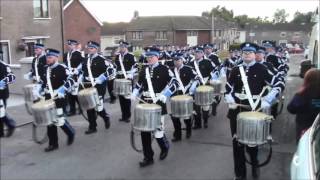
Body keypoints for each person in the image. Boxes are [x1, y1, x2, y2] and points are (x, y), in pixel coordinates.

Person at [225, 42, 284, 180]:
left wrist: (268, 98)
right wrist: (228, 98)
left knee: (253, 144)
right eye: (244, 52)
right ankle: (240, 174)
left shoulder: (262, 68)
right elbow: (228, 88)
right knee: (237, 143)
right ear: (241, 54)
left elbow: (279, 82)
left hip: (254, 111)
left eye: (250, 52)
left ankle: (255, 166)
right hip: (236, 112)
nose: (247, 55)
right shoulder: (235, 69)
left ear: (254, 54)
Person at [131, 46, 178, 167]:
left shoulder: (165, 69)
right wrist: (135, 92)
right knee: (144, 132)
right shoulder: (144, 70)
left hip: (158, 103)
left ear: (157, 57)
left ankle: (164, 147)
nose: (149, 59)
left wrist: (166, 94)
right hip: (145, 103)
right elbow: (140, 84)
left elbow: (175, 83)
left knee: (158, 131)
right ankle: (148, 157)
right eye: (147, 57)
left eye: (151, 57)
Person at [39, 48, 75, 152]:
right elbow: (43, 82)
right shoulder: (45, 68)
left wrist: (63, 89)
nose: (48, 59)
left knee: (59, 121)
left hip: (59, 98)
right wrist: (39, 89)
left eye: (50, 57)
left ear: (56, 57)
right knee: (50, 121)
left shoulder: (62, 68)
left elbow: (72, 79)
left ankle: (70, 132)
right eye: (47, 57)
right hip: (48, 98)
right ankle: (53, 144)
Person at [80, 41, 115, 134]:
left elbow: (112, 69)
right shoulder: (85, 59)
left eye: (92, 48)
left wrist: (102, 77)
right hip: (88, 85)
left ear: (96, 49)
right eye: (89, 48)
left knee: (98, 107)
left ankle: (105, 117)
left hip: (99, 87)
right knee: (89, 107)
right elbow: (82, 71)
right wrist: (80, 78)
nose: (89, 49)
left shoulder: (102, 59)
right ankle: (92, 127)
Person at [187, 46, 219, 129]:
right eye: (195, 52)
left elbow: (215, 72)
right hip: (195, 87)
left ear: (202, 53)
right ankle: (197, 124)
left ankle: (205, 121)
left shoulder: (208, 62)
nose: (196, 54)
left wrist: (211, 80)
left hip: (206, 86)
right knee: (196, 106)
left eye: (199, 52)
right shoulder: (190, 63)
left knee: (205, 106)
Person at [170, 53, 199, 142]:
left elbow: (197, 78)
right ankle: (177, 135)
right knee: (175, 116)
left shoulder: (188, 69)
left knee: (186, 116)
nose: (177, 62)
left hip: (186, 95)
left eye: (178, 60)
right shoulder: (171, 70)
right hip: (175, 96)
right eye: (175, 60)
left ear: (182, 60)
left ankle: (188, 130)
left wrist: (193, 86)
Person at [287, 68, 320, 143]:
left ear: (307, 80)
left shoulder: (303, 94)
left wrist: (299, 93)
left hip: (304, 129)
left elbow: (291, 108)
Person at [114, 41, 137, 122]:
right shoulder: (118, 56)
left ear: (126, 47)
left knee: (127, 98)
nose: (121, 48)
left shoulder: (131, 56)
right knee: (121, 98)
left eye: (123, 47)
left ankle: (128, 116)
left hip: (128, 79)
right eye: (120, 47)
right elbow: (116, 66)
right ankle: (123, 115)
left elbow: (136, 67)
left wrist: (131, 74)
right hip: (120, 78)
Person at [63, 39, 84, 116]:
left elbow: (83, 63)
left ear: (75, 45)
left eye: (71, 45)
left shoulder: (79, 54)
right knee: (69, 94)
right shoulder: (66, 54)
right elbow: (65, 64)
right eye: (69, 45)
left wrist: (77, 70)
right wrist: (66, 70)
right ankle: (72, 110)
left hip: (76, 75)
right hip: (68, 75)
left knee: (76, 93)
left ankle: (81, 108)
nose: (70, 46)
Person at [0, 50, 16, 137]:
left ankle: (10, 125)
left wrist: (3, 81)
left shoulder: (4, 65)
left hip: (2, 94)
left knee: (1, 112)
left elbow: (12, 77)